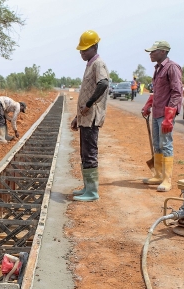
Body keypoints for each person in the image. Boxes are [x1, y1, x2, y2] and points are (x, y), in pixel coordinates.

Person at [70, 30, 109, 202]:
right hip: (85, 117)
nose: (81, 53)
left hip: (92, 116)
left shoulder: (98, 64)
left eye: (84, 50)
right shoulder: (90, 64)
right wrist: (77, 117)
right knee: (85, 153)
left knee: (90, 152)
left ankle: (92, 192)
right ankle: (87, 187)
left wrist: (88, 105)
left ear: (94, 47)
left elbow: (103, 84)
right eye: (80, 50)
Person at [141, 41, 182, 192]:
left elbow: (177, 92)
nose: (150, 54)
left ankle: (167, 180)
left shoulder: (172, 68)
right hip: (157, 113)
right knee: (157, 144)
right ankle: (158, 175)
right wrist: (148, 104)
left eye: (153, 51)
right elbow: (158, 91)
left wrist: (169, 116)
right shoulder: (158, 69)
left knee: (166, 145)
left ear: (163, 52)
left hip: (165, 115)